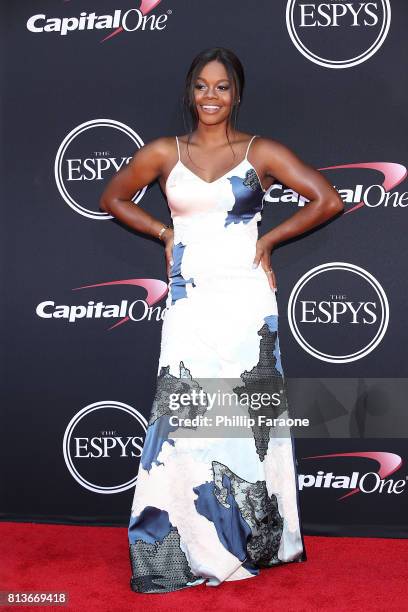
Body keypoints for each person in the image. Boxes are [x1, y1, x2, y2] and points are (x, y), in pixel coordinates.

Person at [100, 47, 344, 594]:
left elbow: (326, 200)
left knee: (242, 417)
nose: (211, 97)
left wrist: (270, 239)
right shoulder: (165, 151)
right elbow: (114, 196)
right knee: (186, 412)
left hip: (244, 296)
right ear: (191, 92)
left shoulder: (260, 151)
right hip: (191, 297)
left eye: (222, 87)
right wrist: (164, 233)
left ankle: (251, 537)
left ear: (237, 94)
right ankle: (183, 543)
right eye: (202, 86)